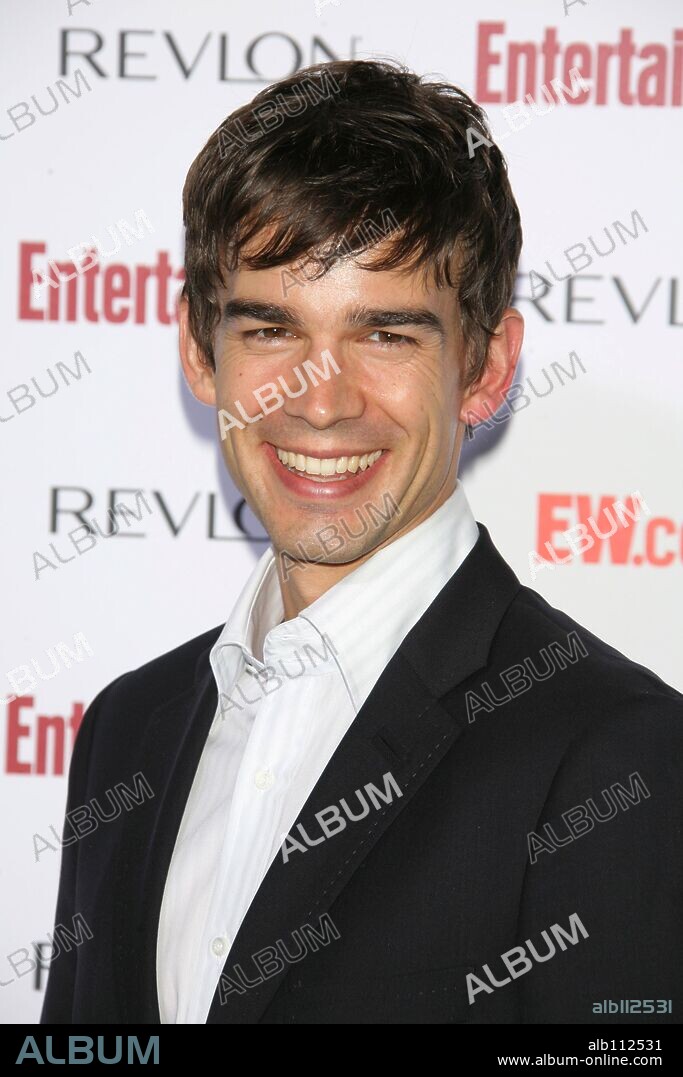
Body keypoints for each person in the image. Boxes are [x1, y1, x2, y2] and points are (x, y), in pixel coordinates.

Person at [42, 59, 682, 1025]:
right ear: (197, 351)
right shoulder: (128, 729)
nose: (320, 398)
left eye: (385, 334)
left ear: (485, 367)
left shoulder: (614, 753)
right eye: (270, 328)